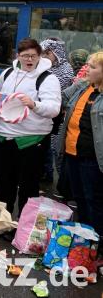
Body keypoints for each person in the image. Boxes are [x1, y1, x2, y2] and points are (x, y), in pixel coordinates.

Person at [0, 38, 62, 216]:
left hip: (31, 141)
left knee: (28, 187)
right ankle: (4, 220)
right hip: (3, 138)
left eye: (33, 56)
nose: (29, 60)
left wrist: (34, 104)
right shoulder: (7, 73)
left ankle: (23, 224)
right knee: (3, 183)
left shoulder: (48, 78)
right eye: (25, 56)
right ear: (18, 56)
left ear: (40, 56)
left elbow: (54, 109)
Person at [57, 52, 103, 239]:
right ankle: (84, 240)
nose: (86, 69)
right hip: (72, 153)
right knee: (79, 198)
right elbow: (61, 98)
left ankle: (97, 241)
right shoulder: (84, 87)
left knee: (94, 201)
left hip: (92, 158)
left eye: (92, 67)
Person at [40, 38, 75, 183]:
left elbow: (57, 92)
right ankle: (46, 173)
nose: (44, 56)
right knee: (44, 146)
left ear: (56, 53)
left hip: (59, 116)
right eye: (43, 53)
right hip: (44, 113)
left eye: (47, 53)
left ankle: (64, 184)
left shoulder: (66, 70)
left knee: (57, 149)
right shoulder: (45, 66)